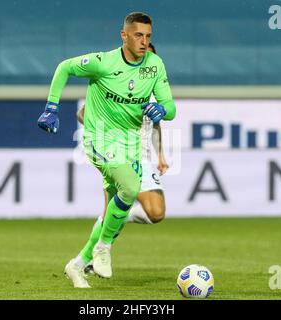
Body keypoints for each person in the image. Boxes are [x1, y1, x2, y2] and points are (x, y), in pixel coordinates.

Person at [37, 12, 176, 288]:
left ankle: (77, 264)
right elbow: (64, 67)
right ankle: (103, 248)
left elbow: (170, 109)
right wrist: (51, 108)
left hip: (131, 147)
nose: (144, 42)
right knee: (130, 188)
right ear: (124, 35)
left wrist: (164, 110)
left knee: (117, 208)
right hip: (99, 141)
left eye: (148, 37)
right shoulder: (103, 63)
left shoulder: (155, 66)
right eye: (138, 35)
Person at [76, 43, 168, 229]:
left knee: (157, 213)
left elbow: (155, 126)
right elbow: (82, 114)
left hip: (143, 158)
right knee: (110, 210)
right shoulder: (115, 86)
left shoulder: (153, 93)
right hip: (117, 153)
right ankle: (88, 257)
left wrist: (160, 155)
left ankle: (120, 217)